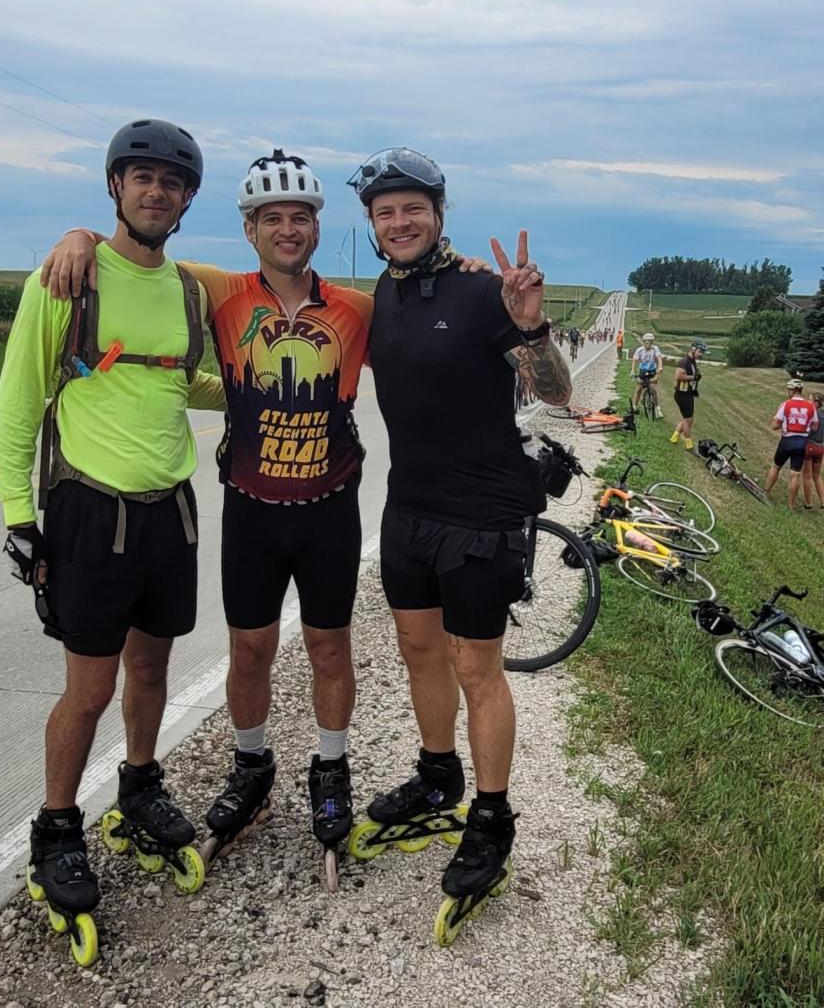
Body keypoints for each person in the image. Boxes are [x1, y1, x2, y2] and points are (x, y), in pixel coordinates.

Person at [39, 150, 491, 884]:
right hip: (251, 511)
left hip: (328, 511)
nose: (288, 230)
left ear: (319, 227)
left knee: (329, 648)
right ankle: (252, 766)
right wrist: (81, 235)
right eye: (272, 218)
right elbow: (138, 254)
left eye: (301, 217)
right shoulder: (217, 292)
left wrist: (460, 265)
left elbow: (422, 310)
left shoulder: (358, 308)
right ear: (249, 229)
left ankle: (331, 770)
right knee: (250, 650)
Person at [0, 119, 227, 949]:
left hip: (170, 506)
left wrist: (253, 396)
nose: (157, 191)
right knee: (87, 688)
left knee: (153, 666)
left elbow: (178, 379)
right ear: (115, 187)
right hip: (90, 510)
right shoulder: (67, 278)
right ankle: (56, 830)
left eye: (172, 182)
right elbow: (19, 403)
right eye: (142, 178)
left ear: (188, 199)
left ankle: (139, 787)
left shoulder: (189, 290)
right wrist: (19, 518)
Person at [345, 147, 571, 932]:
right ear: (372, 226)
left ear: (439, 212)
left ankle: (492, 816)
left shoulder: (484, 293)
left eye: (413, 208)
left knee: (477, 665)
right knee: (417, 651)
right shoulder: (386, 290)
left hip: (482, 515)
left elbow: (556, 392)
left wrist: (532, 325)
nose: (399, 222)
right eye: (385, 212)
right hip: (407, 510)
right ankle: (438, 776)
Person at [765, 378, 819, 510]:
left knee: (776, 466)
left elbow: (774, 425)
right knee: (795, 474)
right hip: (801, 443)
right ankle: (790, 505)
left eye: (789, 389)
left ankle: (766, 492)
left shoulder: (786, 404)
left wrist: (777, 422)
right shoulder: (810, 406)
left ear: (792, 390)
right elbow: (815, 427)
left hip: (787, 440)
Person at [669, 339, 706, 449]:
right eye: (700, 352)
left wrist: (694, 387)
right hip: (682, 394)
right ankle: (688, 444)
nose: (701, 354)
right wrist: (693, 377)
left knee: (688, 418)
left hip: (688, 393)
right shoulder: (684, 361)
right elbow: (678, 376)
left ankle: (675, 437)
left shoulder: (692, 361)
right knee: (688, 419)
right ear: (693, 349)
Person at [631, 332, 663, 417]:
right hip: (643, 371)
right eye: (646, 342)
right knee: (639, 389)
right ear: (643, 342)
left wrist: (660, 367)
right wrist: (633, 371)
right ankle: (634, 406)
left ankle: (658, 409)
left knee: (654, 389)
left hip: (652, 371)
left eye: (650, 342)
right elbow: (634, 360)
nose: (648, 344)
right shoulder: (640, 350)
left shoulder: (655, 349)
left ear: (652, 343)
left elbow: (659, 358)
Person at [802, 392, 824, 509]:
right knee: (817, 476)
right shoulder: (823, 414)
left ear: (816, 403)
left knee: (807, 476)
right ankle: (823, 501)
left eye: (810, 400)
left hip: (810, 446)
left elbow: (807, 431)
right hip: (820, 447)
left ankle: (808, 503)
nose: (807, 401)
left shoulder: (812, 414)